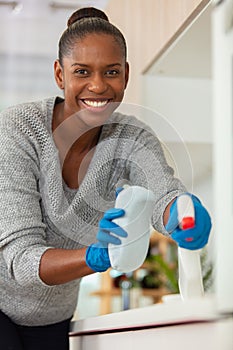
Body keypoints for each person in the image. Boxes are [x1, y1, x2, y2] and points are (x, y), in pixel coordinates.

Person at [0, 6, 211, 350]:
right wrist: (95, 256)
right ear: (59, 74)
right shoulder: (18, 130)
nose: (98, 86)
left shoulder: (132, 138)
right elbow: (21, 261)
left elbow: (164, 193)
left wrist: (180, 211)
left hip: (52, 316)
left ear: (125, 75)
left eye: (111, 72)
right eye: (82, 71)